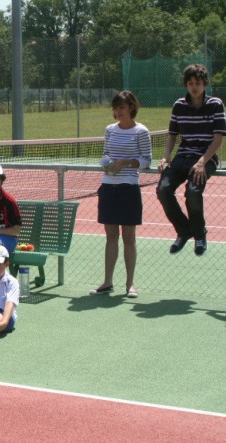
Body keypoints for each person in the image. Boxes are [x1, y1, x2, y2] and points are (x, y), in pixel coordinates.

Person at [157, 64, 226, 257]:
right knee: (163, 190)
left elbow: (218, 140)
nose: (194, 87)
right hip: (182, 157)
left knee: (193, 192)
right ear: (186, 84)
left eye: (198, 83)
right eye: (190, 83)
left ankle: (199, 235)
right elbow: (172, 136)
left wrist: (202, 162)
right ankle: (183, 231)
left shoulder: (215, 104)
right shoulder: (179, 105)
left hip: (206, 157)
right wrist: (166, 156)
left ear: (205, 84)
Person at [91, 91, 152, 299]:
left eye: (122, 107)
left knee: (129, 237)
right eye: (115, 108)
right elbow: (106, 154)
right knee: (111, 237)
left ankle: (129, 284)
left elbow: (146, 161)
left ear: (131, 108)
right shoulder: (110, 130)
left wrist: (126, 163)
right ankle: (107, 281)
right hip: (108, 187)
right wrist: (107, 165)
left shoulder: (141, 131)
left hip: (129, 188)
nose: (118, 111)